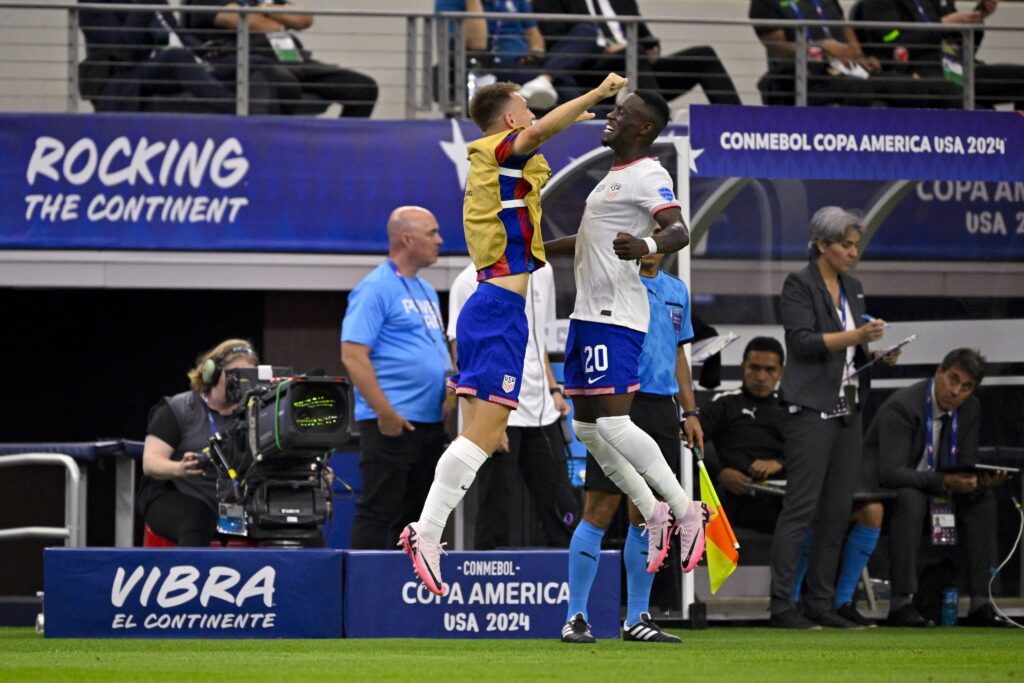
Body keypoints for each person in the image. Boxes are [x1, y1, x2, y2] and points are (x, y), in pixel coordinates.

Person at [400, 73, 627, 596]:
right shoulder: (501, 147)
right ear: (509, 120)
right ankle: (427, 532)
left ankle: (426, 532)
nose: (530, 116)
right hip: (499, 306)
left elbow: (537, 149)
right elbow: (539, 133)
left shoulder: (503, 169)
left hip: (499, 306)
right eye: (525, 108)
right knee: (481, 434)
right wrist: (595, 94)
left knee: (481, 432)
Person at [544, 89, 709, 643]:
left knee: (613, 437)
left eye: (620, 114)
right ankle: (579, 614)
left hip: (622, 330)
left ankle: (684, 518)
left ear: (641, 128)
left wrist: (644, 242)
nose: (609, 118)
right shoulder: (613, 177)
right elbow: (591, 243)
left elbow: (678, 229)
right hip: (592, 317)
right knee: (589, 432)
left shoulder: (647, 174)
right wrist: (535, 250)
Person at [560, 224, 701, 644]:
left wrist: (689, 411)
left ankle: (638, 616)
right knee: (600, 508)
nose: (652, 242)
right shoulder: (611, 284)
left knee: (649, 514)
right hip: (618, 403)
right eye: (647, 231)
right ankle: (576, 617)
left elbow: (678, 352)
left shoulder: (677, 291)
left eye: (660, 233)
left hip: (661, 407)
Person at [768, 206, 899, 630]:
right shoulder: (799, 283)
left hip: (849, 406)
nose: (853, 252)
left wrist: (874, 354)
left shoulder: (853, 287)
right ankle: (782, 605)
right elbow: (803, 342)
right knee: (800, 508)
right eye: (846, 245)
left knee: (838, 509)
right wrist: (857, 336)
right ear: (822, 245)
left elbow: (847, 349)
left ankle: (820, 603)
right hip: (810, 406)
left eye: (856, 244)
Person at [869, 348, 1007, 627]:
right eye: (953, 379)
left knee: (983, 500)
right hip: (892, 492)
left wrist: (978, 482)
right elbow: (890, 473)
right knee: (912, 499)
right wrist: (943, 482)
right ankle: (901, 604)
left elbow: (964, 463)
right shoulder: (904, 406)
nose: (955, 391)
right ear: (938, 372)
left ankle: (982, 602)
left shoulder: (970, 409)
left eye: (966, 386)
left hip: (938, 490)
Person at [341, 206, 452, 550]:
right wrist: (384, 412)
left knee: (418, 516)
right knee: (379, 510)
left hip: (429, 424)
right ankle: (365, 594)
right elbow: (352, 355)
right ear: (407, 238)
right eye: (432, 232)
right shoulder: (375, 288)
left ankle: (408, 591)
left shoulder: (426, 290)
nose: (440, 240)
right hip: (391, 423)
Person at [448, 261, 577, 548]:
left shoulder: (545, 271)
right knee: (496, 506)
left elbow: (539, 339)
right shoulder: (468, 280)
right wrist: (483, 419)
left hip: (542, 411)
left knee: (561, 503)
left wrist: (553, 389)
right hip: (497, 412)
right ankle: (487, 581)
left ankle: (570, 581)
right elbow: (464, 354)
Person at [138, 339, 260, 546]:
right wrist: (178, 468)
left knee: (289, 521)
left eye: (247, 376)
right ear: (211, 374)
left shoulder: (258, 414)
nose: (240, 382)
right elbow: (150, 462)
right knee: (197, 520)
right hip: (179, 493)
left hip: (234, 501)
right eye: (234, 374)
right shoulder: (178, 408)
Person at [182, 0, 379, 117]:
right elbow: (243, 21)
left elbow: (304, 19)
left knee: (363, 88)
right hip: (251, 62)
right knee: (283, 81)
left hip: (294, 59)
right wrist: (276, 19)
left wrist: (263, 8)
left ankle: (338, 154)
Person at [748, 0, 958, 108]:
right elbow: (777, 48)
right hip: (809, 77)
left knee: (920, 86)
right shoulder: (765, 3)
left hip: (849, 68)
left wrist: (859, 54)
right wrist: (821, 48)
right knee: (862, 89)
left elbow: (842, 23)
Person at [533, 0, 742, 108]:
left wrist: (652, 47)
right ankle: (656, 123)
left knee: (704, 55)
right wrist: (603, 46)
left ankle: (737, 128)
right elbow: (555, 38)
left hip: (636, 66)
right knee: (631, 52)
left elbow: (644, 36)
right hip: (590, 70)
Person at [859, 0, 1024, 110]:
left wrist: (977, 19)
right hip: (922, 72)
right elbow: (896, 45)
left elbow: (959, 47)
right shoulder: (878, 3)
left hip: (960, 68)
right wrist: (941, 25)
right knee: (965, 101)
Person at [77, 0, 236, 113]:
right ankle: (237, 109)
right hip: (127, 73)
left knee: (244, 61)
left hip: (170, 64)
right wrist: (144, 6)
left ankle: (258, 112)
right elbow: (125, 50)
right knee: (177, 57)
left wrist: (201, 48)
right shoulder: (94, 3)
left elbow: (176, 33)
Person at [700, 336, 787, 537]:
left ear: (780, 373)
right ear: (742, 367)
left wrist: (780, 462)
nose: (761, 377)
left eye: (770, 370)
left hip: (784, 498)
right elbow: (688, 443)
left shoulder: (791, 409)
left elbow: (811, 453)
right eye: (754, 368)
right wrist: (719, 473)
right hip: (733, 499)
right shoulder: (724, 404)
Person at [436, 0, 561, 109]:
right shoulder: (449, 2)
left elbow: (534, 34)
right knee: (564, 86)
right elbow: (478, 44)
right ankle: (545, 78)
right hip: (487, 67)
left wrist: (535, 52)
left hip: (524, 64)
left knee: (564, 84)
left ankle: (545, 78)